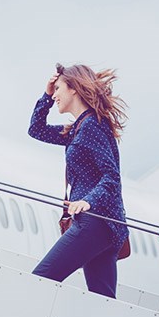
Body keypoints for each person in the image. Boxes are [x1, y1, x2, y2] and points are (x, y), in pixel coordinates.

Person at [28, 63, 129, 298]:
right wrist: (45, 93)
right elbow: (36, 129)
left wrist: (88, 201)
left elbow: (111, 176)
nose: (55, 96)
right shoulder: (78, 128)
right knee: (102, 300)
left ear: (73, 89)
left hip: (94, 221)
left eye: (59, 89)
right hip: (105, 226)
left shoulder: (92, 126)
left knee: (39, 281)